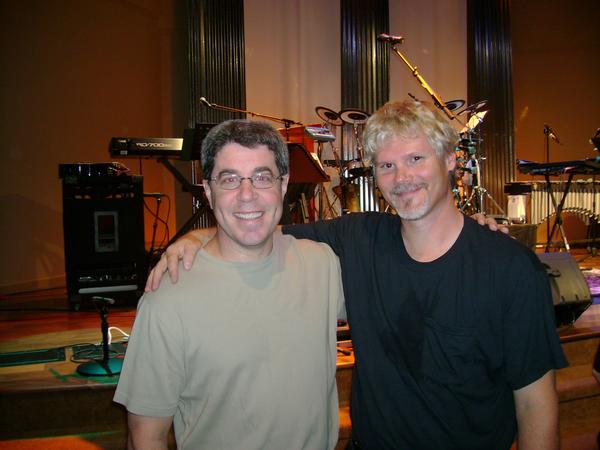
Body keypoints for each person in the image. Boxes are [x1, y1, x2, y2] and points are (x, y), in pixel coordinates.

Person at [147, 100, 567, 450]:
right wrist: (198, 236)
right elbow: (257, 226)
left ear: (450, 159)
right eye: (386, 165)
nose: (402, 178)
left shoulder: (511, 269)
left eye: (415, 159)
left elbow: (536, 405)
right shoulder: (359, 238)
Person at [114, 119, 344, 450]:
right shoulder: (168, 298)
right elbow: (145, 437)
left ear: (283, 185)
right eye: (230, 179)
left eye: (262, 177)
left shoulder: (322, 264)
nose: (247, 195)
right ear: (208, 191)